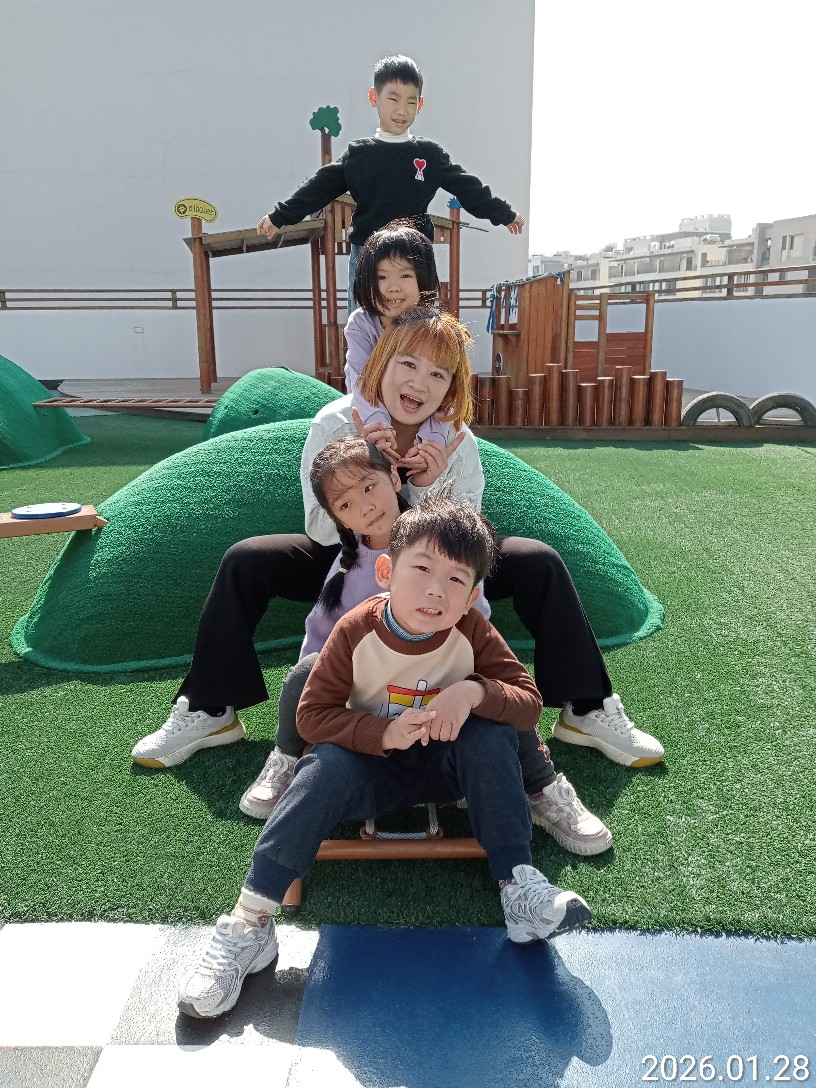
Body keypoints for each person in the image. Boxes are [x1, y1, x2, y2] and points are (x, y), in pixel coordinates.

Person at [132, 308, 663, 782]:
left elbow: (466, 537)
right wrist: (366, 477)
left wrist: (423, 490)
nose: (419, 382)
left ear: (450, 388)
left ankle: (587, 709)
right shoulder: (335, 422)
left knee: (538, 560)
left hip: (438, 556)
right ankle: (209, 709)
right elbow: (319, 526)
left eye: (438, 374)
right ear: (381, 365)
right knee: (246, 559)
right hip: (345, 551)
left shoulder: (455, 438)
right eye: (408, 364)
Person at [177, 496, 592, 1020]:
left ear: (472, 596)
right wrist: (382, 732)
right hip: (369, 772)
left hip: (450, 773)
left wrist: (473, 692)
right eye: (421, 569)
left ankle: (518, 887)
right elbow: (313, 716)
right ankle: (251, 920)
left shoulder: (473, 630)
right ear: (386, 572)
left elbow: (528, 702)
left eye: (456, 579)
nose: (436, 590)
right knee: (323, 765)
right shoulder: (356, 629)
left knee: (490, 734)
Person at [239, 433, 611, 857]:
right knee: (304, 676)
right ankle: (286, 759)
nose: (365, 506)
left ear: (393, 478)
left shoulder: (437, 539)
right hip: (371, 691)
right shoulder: (345, 571)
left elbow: (474, 627)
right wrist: (341, 677)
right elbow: (320, 647)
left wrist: (470, 682)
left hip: (440, 680)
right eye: (346, 505)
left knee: (498, 694)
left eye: (369, 487)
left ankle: (541, 786)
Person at [256, 54, 524, 310]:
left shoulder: (429, 154)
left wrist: (503, 213)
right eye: (393, 98)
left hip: (414, 257)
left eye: (410, 102)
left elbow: (467, 187)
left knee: (415, 329)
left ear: (420, 105)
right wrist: (280, 216)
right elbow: (318, 187)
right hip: (368, 257)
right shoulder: (360, 155)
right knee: (366, 327)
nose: (401, 110)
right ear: (374, 97)